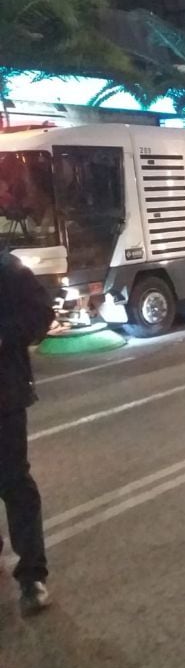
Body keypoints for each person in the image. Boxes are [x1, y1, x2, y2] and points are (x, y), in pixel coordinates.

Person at [0, 250, 55, 614]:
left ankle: (32, 575)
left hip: (4, 394)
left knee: (13, 481)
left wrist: (4, 336)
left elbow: (41, 314)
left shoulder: (6, 269)